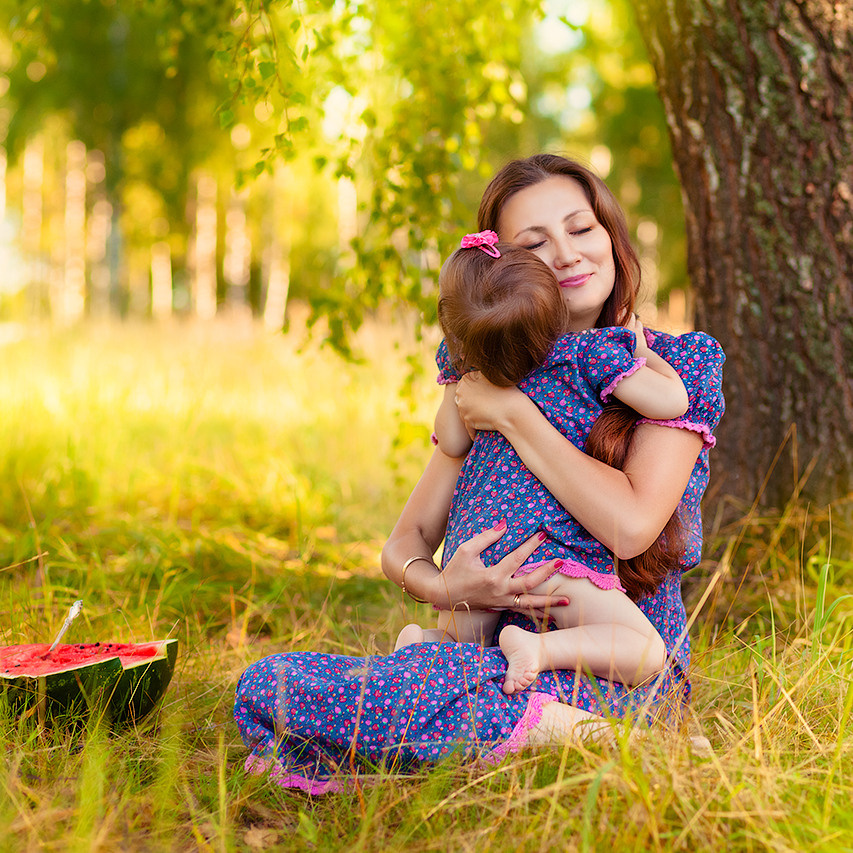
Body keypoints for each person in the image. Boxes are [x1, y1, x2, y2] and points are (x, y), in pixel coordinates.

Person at [233, 154, 725, 793]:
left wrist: (515, 413)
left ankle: (572, 732)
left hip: (613, 669)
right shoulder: (478, 373)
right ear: (504, 273)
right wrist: (450, 588)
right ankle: (519, 729)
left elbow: (631, 528)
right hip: (485, 656)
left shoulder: (674, 362)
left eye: (582, 228)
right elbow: (404, 546)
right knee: (267, 682)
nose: (569, 255)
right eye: (535, 244)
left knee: (426, 695)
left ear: (611, 236)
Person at [395, 232, 690, 697]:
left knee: (460, 656)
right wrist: (643, 352)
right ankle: (537, 649)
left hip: (476, 550)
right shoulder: (587, 353)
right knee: (643, 651)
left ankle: (425, 643)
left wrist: (464, 374)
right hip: (541, 551)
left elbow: (452, 438)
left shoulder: (471, 366)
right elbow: (673, 402)